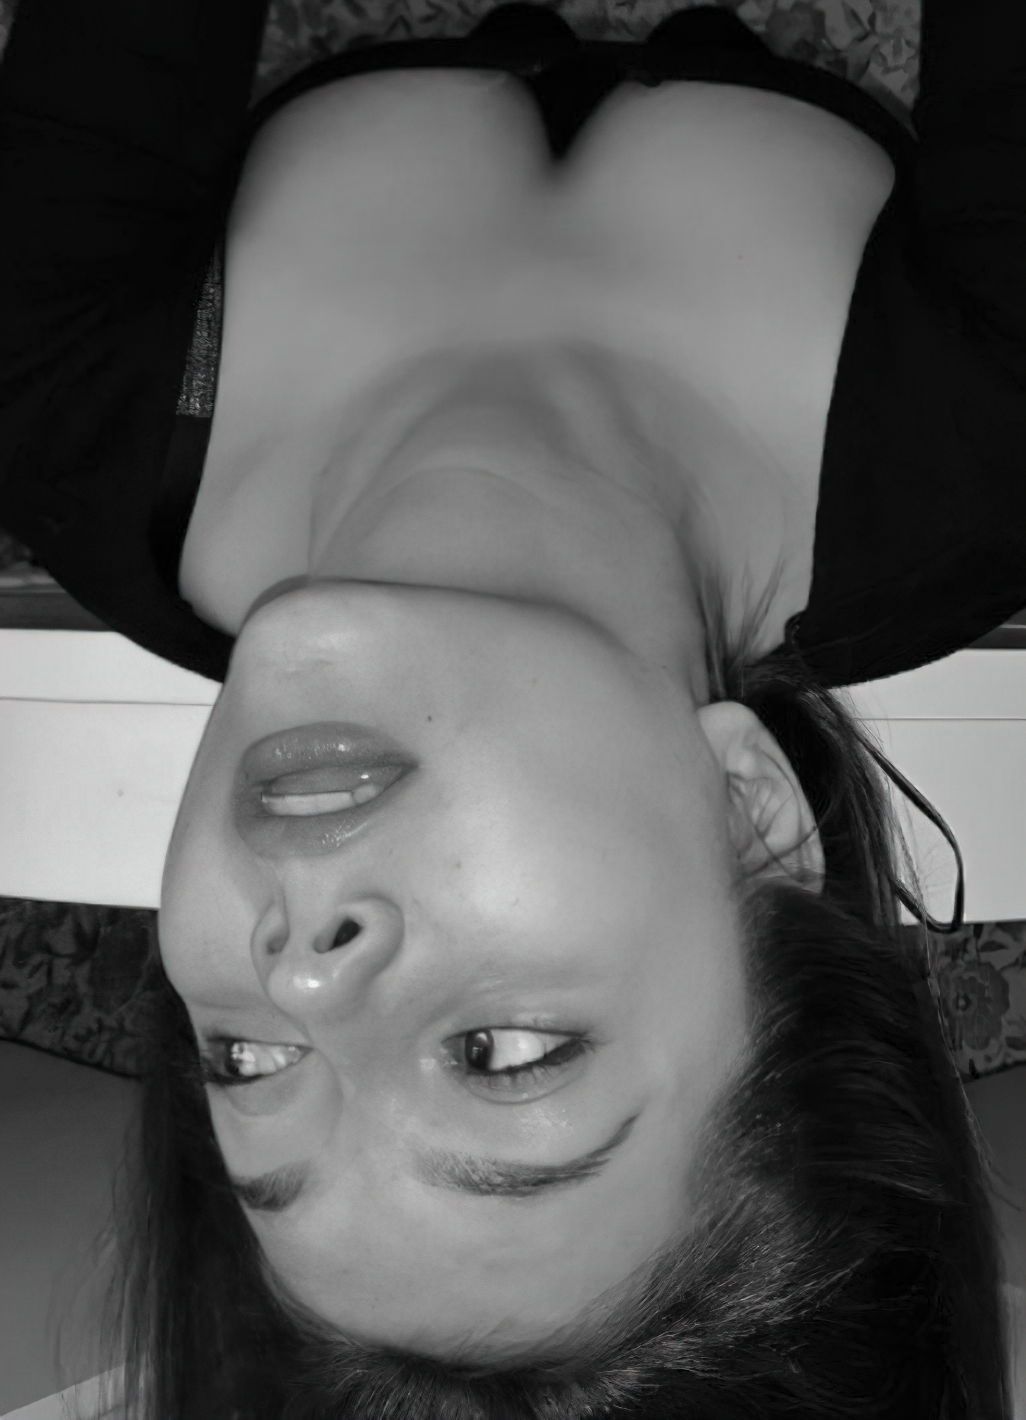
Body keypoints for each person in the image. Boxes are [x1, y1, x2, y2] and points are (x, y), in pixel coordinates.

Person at [1, 0, 1022, 1416]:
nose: (302, 980)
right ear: (753, 824)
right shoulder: (984, 442)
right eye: (503, 1055)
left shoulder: (58, 405)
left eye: (251, 1064)